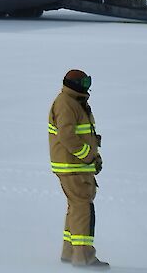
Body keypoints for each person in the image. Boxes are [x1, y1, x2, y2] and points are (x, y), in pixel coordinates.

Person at [48, 69, 108, 267]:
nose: (87, 86)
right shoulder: (67, 103)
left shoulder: (75, 101)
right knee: (83, 208)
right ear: (74, 84)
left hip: (75, 165)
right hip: (73, 166)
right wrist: (88, 156)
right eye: (84, 83)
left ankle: (70, 252)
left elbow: (85, 135)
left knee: (75, 207)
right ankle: (83, 257)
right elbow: (67, 137)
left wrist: (94, 156)